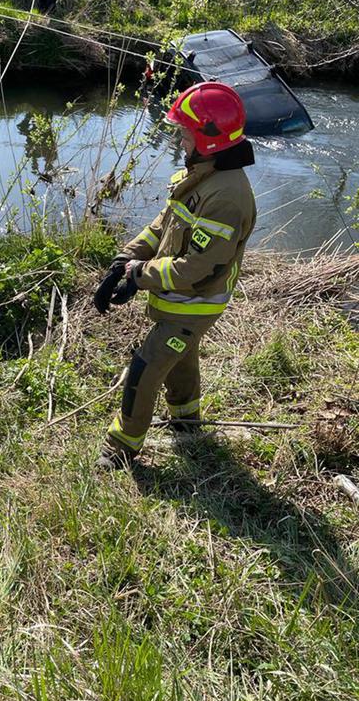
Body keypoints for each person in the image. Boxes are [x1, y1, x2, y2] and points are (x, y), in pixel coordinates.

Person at [93, 81, 256, 471]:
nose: (179, 138)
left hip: (196, 303)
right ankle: (186, 421)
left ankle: (121, 448)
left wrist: (139, 276)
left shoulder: (226, 197)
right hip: (178, 300)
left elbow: (199, 268)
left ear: (208, 137)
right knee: (181, 359)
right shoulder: (200, 174)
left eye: (185, 132)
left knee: (145, 369)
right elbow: (164, 225)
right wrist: (124, 259)